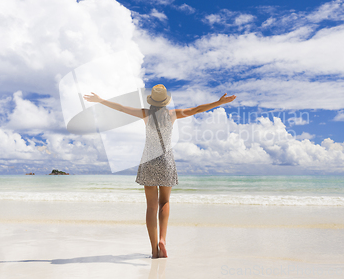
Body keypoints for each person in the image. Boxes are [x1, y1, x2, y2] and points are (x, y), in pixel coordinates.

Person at [83, 84, 236, 258]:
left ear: (152, 101)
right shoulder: (172, 114)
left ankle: (154, 250)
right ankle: (163, 239)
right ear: (165, 101)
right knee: (164, 202)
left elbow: (121, 108)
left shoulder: (145, 114)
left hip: (148, 160)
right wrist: (219, 102)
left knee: (151, 206)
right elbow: (197, 109)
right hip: (166, 161)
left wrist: (100, 100)